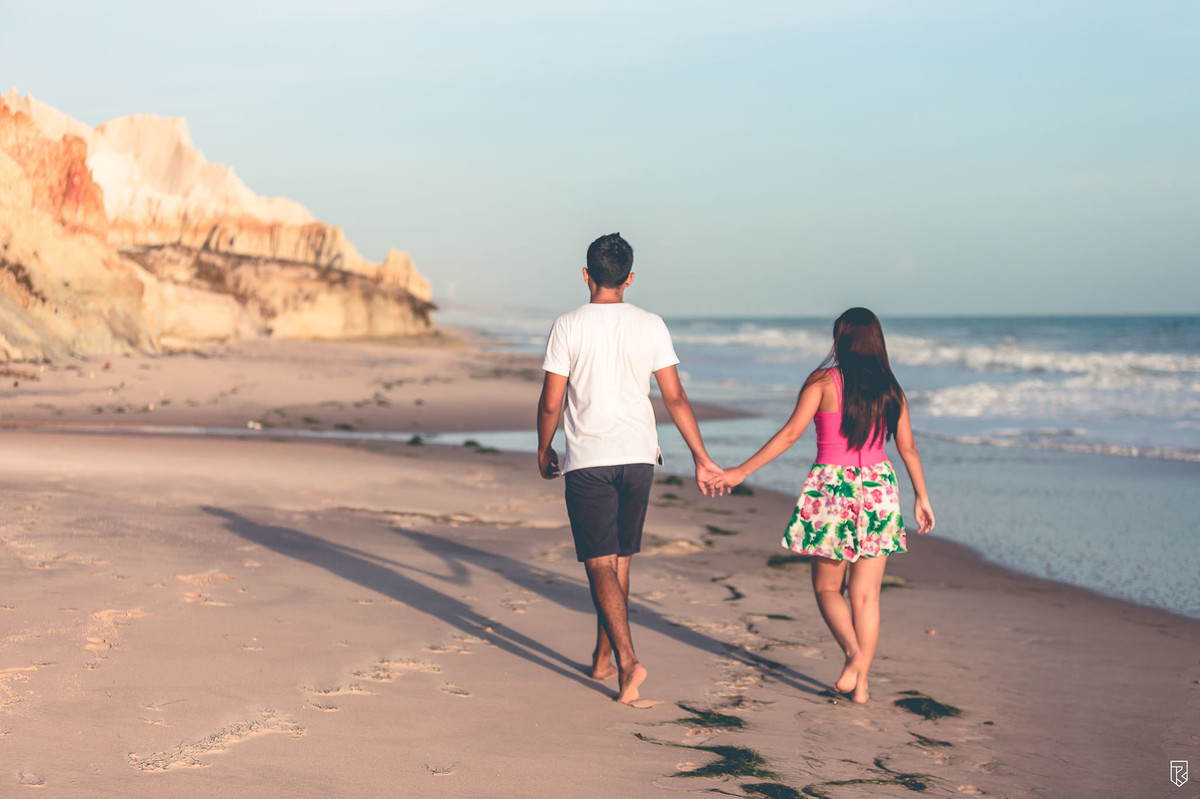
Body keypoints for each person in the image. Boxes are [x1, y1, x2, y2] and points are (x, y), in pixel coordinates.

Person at [537, 232, 723, 705]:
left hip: (590, 460)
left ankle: (627, 662)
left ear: (586, 275)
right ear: (630, 279)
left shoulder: (568, 325)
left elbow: (551, 401)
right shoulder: (651, 324)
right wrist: (702, 457)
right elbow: (675, 397)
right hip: (640, 456)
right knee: (618, 560)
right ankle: (602, 658)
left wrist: (543, 448)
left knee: (599, 563)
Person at [712, 307, 934, 704]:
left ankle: (853, 655)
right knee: (866, 597)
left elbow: (789, 435)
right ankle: (862, 686)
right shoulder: (891, 389)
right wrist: (922, 496)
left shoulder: (824, 382)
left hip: (833, 490)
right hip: (880, 490)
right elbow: (908, 448)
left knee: (827, 587)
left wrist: (740, 472)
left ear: (840, 339)